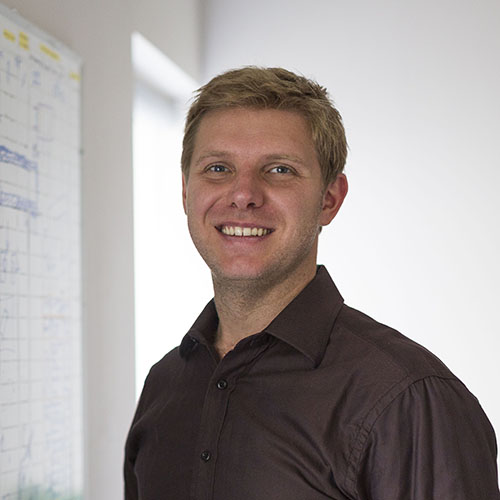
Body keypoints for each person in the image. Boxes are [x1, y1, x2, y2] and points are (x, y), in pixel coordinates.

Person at [124, 67, 499, 500]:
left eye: (279, 169)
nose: (244, 194)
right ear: (186, 193)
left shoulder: (407, 399)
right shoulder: (164, 386)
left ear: (329, 199)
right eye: (218, 168)